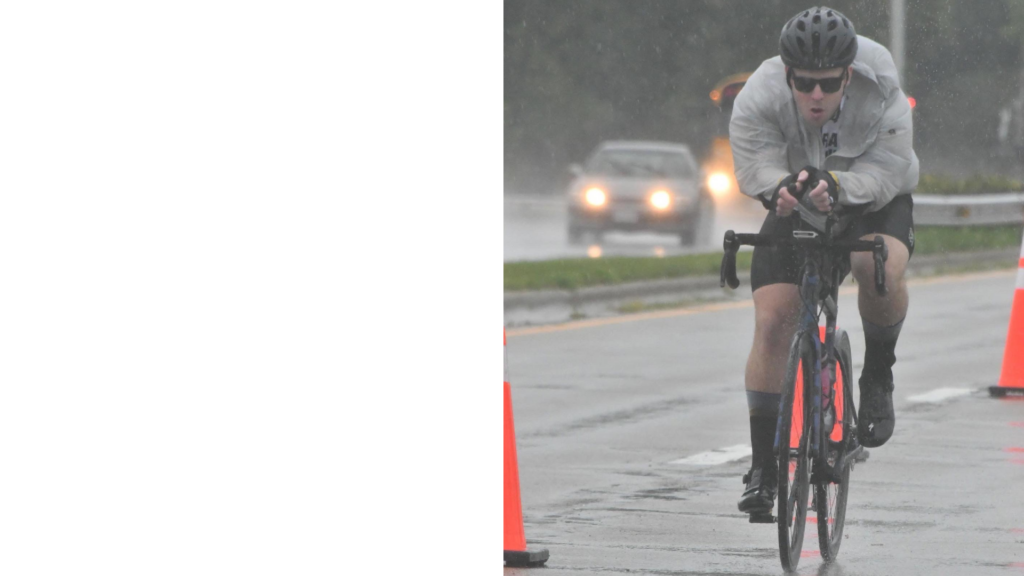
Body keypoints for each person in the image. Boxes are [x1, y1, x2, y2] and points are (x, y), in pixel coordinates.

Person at [728, 6, 919, 516]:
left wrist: (838, 184)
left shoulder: (882, 88)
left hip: (875, 198)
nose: (816, 95)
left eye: (829, 84)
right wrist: (778, 188)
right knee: (772, 321)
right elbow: (752, 162)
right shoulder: (760, 94)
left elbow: (889, 171)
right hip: (799, 198)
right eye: (805, 83)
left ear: (848, 75)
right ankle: (764, 468)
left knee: (874, 269)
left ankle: (878, 374)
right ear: (788, 74)